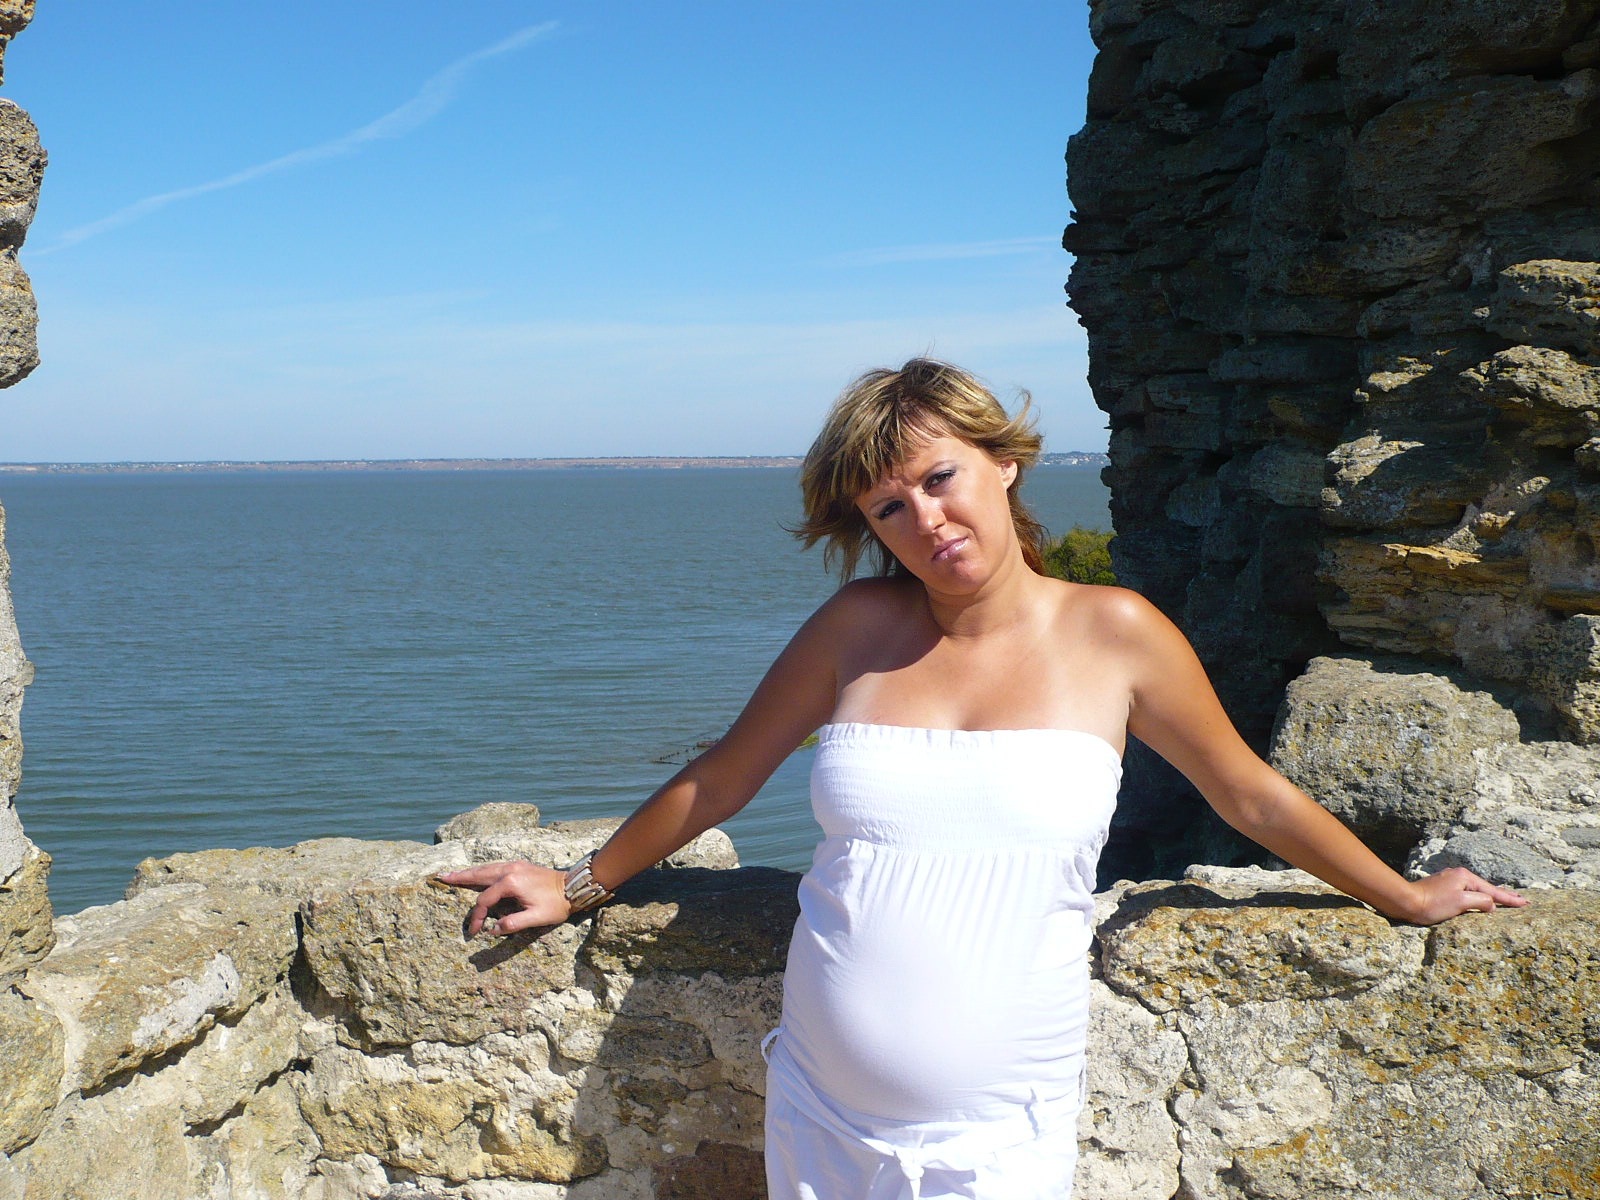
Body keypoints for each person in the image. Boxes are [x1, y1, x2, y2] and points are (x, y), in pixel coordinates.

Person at [438, 358, 1526, 1200]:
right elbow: (720, 781)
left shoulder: (1116, 633)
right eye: (888, 508)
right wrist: (576, 884)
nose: (926, 520)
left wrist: (1401, 894)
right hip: (820, 1111)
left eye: (938, 477)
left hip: (999, 1131)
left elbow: (1249, 795)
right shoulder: (856, 628)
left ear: (1002, 461)